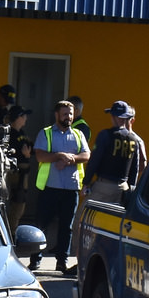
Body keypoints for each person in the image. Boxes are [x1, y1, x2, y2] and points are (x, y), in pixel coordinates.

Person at [29, 100, 88, 275]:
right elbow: (40, 156)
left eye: (70, 114)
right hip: (50, 187)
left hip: (71, 188)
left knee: (66, 227)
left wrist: (70, 158)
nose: (68, 117)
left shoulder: (78, 134)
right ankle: (35, 260)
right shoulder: (46, 133)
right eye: (65, 114)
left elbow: (86, 155)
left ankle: (62, 261)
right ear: (57, 115)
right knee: (42, 225)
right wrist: (58, 156)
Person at [83, 101, 147, 263]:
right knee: (113, 228)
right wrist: (130, 190)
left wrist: (86, 182)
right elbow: (135, 167)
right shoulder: (134, 139)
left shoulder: (105, 135)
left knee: (84, 222)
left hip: (103, 186)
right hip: (123, 187)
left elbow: (95, 160)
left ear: (113, 117)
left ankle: (83, 261)